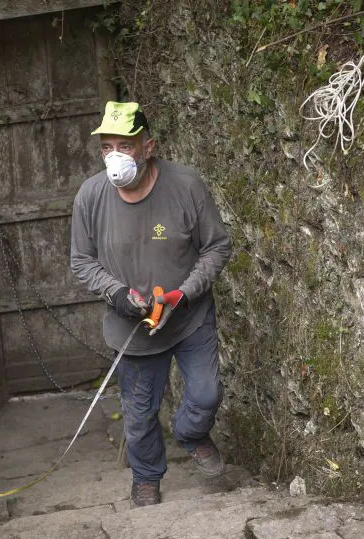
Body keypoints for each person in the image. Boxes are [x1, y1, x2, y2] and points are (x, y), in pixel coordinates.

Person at [70, 101, 232, 507]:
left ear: (148, 147)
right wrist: (118, 294)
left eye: (125, 146)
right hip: (133, 329)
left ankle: (192, 433)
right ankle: (146, 478)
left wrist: (185, 292)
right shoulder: (91, 196)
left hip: (189, 317)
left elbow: (216, 247)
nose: (115, 157)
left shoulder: (186, 187)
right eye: (107, 147)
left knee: (206, 394)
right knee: (140, 415)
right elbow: (82, 261)